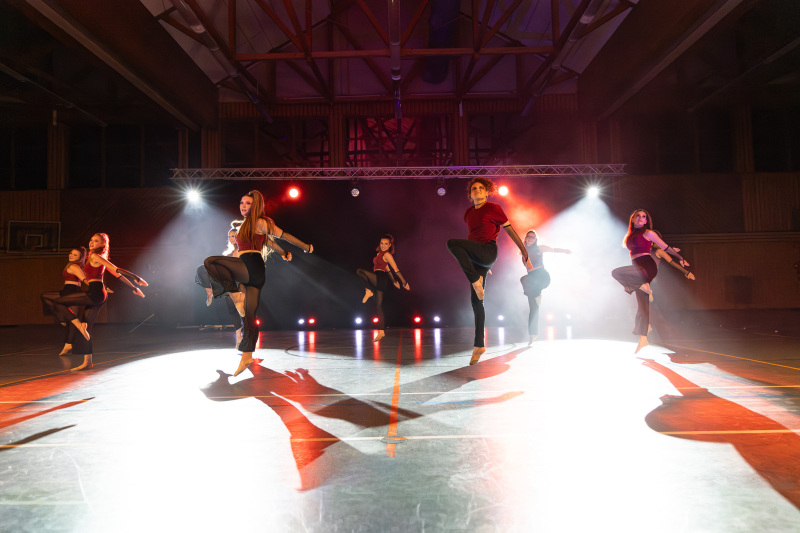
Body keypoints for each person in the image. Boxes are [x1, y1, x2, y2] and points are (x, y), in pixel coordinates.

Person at [203, 190, 313, 377]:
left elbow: (284, 236)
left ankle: (235, 295)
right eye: (241, 202)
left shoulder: (261, 222)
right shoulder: (245, 225)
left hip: (251, 265)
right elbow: (270, 244)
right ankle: (247, 356)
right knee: (249, 316)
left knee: (210, 262)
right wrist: (283, 253)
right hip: (252, 271)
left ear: (255, 206)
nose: (243, 206)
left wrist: (306, 247)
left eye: (247, 203)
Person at [447, 177, 532, 365]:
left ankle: (475, 279)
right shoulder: (468, 213)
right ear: (470, 194)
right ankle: (479, 345)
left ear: (487, 192)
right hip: (478, 258)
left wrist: (524, 251)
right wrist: (480, 264)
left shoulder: (494, 208)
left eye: (481, 188)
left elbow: (510, 231)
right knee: (476, 301)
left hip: (488, 251)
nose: (477, 190)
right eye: (474, 189)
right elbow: (472, 238)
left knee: (452, 243)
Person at [42, 233, 148, 371]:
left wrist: (136, 278)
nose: (91, 242)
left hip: (95, 293)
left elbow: (116, 270)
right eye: (91, 240)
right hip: (99, 294)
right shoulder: (99, 257)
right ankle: (87, 362)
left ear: (102, 244)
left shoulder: (95, 256)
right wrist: (133, 288)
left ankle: (77, 325)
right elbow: (117, 275)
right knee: (86, 327)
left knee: (58, 302)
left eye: (96, 241)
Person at [611, 209, 689, 354]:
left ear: (646, 221)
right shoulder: (630, 235)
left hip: (646, 267)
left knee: (616, 272)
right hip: (637, 270)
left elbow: (665, 247)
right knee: (642, 306)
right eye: (638, 216)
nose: (641, 218)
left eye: (643, 216)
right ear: (633, 219)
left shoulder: (648, 233)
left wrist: (681, 258)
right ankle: (643, 339)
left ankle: (644, 285)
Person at [519, 230, 572, 345]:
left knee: (526, 281)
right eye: (529, 237)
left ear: (535, 239)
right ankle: (533, 334)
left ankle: (537, 294)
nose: (531, 239)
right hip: (531, 280)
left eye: (533, 237)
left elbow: (554, 249)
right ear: (526, 238)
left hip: (542, 276)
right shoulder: (522, 251)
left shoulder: (540, 248)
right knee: (533, 307)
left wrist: (565, 251)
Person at [196, 221, 244, 347]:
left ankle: (244, 336)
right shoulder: (228, 252)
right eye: (229, 237)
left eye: (233, 236)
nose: (231, 239)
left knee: (240, 310)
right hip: (227, 282)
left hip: (239, 283)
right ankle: (239, 337)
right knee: (202, 268)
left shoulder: (242, 251)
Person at [356, 234, 410, 342]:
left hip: (380, 278)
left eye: (386, 244)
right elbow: (387, 269)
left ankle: (368, 291)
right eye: (382, 243)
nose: (383, 245)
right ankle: (381, 332)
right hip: (380, 278)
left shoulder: (387, 255)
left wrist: (404, 282)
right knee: (378, 306)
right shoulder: (379, 254)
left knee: (359, 271)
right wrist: (394, 281)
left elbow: (395, 269)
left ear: (390, 245)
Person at [41, 247, 88, 356]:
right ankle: (68, 344)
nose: (71, 255)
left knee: (44, 296)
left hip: (70, 291)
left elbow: (84, 279)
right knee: (72, 319)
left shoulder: (74, 266)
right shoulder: (75, 265)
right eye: (71, 253)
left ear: (80, 258)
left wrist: (100, 287)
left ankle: (61, 318)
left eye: (75, 255)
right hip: (73, 291)